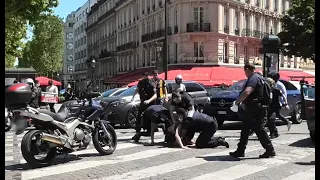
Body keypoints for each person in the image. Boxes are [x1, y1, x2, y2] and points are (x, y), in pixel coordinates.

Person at [230, 63, 275, 158]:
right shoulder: (259, 78)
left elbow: (247, 91)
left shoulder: (253, 78)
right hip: (256, 107)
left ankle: (269, 149)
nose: (245, 73)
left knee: (258, 129)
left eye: (245, 71)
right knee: (246, 129)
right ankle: (240, 150)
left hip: (254, 108)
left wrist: (237, 102)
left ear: (247, 69)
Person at [131, 72, 157, 142]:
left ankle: (150, 133)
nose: (146, 77)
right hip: (143, 102)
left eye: (147, 75)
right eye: (145, 75)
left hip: (150, 104)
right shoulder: (140, 82)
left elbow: (155, 95)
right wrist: (133, 97)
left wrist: (149, 101)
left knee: (149, 119)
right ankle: (137, 133)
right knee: (139, 117)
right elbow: (137, 89)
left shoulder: (152, 83)